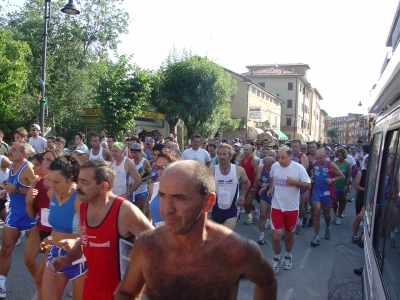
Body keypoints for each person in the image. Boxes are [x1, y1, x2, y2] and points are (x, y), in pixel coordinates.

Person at [115, 160, 278, 300]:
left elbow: (267, 282)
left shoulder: (235, 249)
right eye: (163, 196)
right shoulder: (146, 246)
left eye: (180, 198)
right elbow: (126, 293)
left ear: (208, 202)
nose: (167, 209)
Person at [47, 160, 153, 300]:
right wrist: (67, 259)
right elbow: (86, 240)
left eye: (84, 183)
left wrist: (143, 282)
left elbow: (157, 244)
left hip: (120, 292)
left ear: (103, 187)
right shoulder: (84, 206)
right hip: (91, 288)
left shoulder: (124, 211)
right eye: (78, 181)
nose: (78, 187)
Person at [41, 155, 87, 300]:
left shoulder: (80, 198)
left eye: (57, 182)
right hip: (55, 254)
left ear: (70, 178)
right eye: (50, 180)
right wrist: (51, 236)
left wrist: (75, 240)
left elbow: (93, 232)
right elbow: (59, 225)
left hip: (80, 257)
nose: (52, 186)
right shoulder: (51, 194)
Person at [0, 141, 37, 298]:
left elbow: (37, 189)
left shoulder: (28, 168)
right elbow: (13, 186)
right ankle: (1, 284)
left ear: (24, 154)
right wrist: (7, 191)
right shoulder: (12, 167)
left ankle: (44, 284)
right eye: (11, 149)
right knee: (6, 249)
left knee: (35, 254)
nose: (10, 151)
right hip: (14, 214)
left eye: (14, 150)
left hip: (30, 216)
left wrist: (17, 189)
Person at [25, 149, 64, 297]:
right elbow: (31, 214)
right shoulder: (37, 182)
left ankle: (45, 286)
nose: (45, 163)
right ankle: (44, 287)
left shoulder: (65, 184)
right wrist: (29, 201)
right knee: (28, 260)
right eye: (44, 160)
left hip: (56, 232)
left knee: (41, 278)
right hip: (40, 227)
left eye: (49, 160)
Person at [267, 147, 311, 273]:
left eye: (283, 158)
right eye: (278, 158)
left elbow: (308, 185)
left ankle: (288, 255)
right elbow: (272, 178)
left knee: (288, 235)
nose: (280, 160)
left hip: (292, 208)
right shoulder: (275, 166)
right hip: (277, 206)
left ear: (290, 156)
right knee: (276, 236)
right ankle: (276, 258)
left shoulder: (298, 168)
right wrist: (271, 188)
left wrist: (295, 183)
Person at [210, 144, 249, 230]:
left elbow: (247, 183)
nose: (221, 156)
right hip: (216, 208)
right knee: (217, 238)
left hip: (232, 209)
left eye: (224, 154)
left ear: (230, 156)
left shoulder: (239, 170)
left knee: (227, 236)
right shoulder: (212, 170)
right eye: (219, 154)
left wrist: (243, 195)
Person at [310, 149, 344, 246]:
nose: (319, 160)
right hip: (316, 192)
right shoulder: (315, 163)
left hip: (327, 193)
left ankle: (327, 227)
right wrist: (312, 177)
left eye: (321, 158)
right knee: (316, 212)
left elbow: (342, 176)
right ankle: (316, 236)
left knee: (326, 214)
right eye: (317, 158)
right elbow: (314, 174)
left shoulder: (331, 165)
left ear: (326, 157)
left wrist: (332, 179)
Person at [148, 149, 178, 227]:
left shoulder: (180, 188)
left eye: (163, 167)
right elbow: (151, 216)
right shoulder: (153, 188)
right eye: (158, 167)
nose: (160, 171)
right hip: (157, 236)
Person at [256, 156, 275, 244]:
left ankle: (277, 231)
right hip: (264, 194)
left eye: (270, 166)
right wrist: (261, 184)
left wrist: (267, 186)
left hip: (275, 194)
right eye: (266, 166)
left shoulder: (277, 169)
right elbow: (257, 181)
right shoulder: (261, 168)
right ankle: (262, 234)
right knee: (262, 213)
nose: (268, 168)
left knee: (275, 215)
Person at [129, 143, 152, 213]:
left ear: (140, 152)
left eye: (135, 152)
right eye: (131, 152)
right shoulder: (130, 162)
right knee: (132, 212)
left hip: (142, 190)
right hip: (132, 190)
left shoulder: (144, 162)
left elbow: (151, 175)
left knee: (139, 212)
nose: (133, 154)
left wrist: (143, 179)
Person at [241, 144, 260, 225]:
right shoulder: (242, 160)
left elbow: (258, 174)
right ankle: (252, 215)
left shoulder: (253, 161)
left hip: (252, 185)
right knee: (244, 203)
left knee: (247, 203)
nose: (245, 151)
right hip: (245, 185)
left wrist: (255, 185)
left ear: (251, 151)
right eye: (244, 149)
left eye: (247, 150)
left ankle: (255, 212)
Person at [333, 148, 352, 224]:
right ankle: (334, 213)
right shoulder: (335, 163)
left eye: (341, 155)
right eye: (338, 155)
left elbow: (349, 175)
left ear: (344, 155)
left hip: (343, 186)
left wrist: (347, 185)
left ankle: (339, 216)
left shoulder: (347, 164)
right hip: (335, 185)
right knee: (334, 201)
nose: (339, 157)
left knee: (342, 202)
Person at [352, 156, 368, 242]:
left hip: (371, 198)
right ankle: (354, 235)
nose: (367, 164)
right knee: (358, 216)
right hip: (361, 197)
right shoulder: (360, 173)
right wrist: (366, 190)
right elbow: (356, 185)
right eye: (366, 162)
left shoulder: (376, 173)